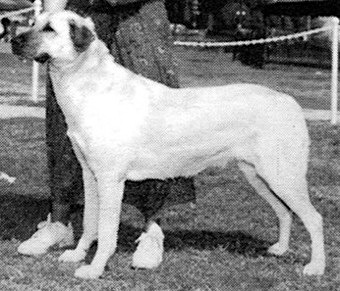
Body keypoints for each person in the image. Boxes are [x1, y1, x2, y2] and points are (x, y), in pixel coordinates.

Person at [18, 0, 196, 269]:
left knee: (153, 121)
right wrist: (50, 21)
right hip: (82, 14)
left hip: (138, 15)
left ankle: (152, 230)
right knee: (67, 126)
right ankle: (60, 223)